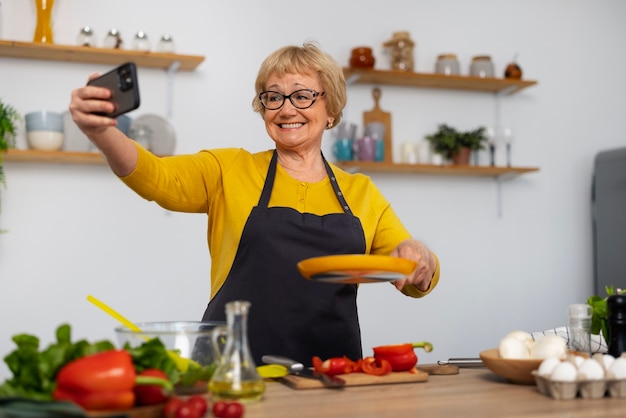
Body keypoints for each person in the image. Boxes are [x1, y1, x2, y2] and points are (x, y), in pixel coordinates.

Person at [69, 42, 440, 366]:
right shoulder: (230, 169)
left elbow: (412, 274)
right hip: (233, 369)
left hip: (332, 376)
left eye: (302, 95)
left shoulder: (362, 192)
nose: (286, 109)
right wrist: (103, 132)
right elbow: (157, 178)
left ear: (331, 110)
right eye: (273, 96)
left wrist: (421, 256)